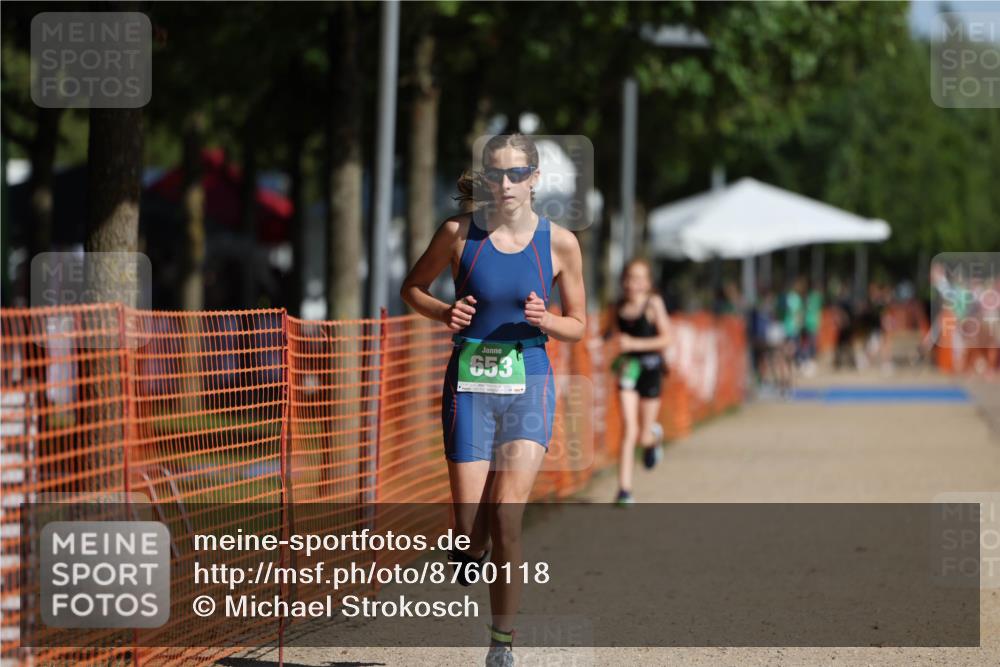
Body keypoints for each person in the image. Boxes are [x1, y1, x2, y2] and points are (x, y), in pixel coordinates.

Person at [400, 133, 586, 667]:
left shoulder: (560, 243)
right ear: (484, 179)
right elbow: (412, 287)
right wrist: (443, 313)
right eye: (495, 174)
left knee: (507, 517)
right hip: (470, 383)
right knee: (469, 530)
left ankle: (501, 645)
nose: (505, 184)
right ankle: (470, 550)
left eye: (515, 173)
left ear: (534, 179)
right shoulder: (459, 234)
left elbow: (578, 324)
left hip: (528, 377)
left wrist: (545, 319)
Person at [606, 258, 671, 505]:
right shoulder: (617, 307)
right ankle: (624, 489)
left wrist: (636, 344)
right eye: (630, 277)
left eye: (639, 278)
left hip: (651, 371)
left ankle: (653, 438)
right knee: (628, 429)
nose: (634, 283)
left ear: (648, 282)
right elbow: (611, 333)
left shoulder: (653, 304)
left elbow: (667, 339)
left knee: (642, 435)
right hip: (627, 372)